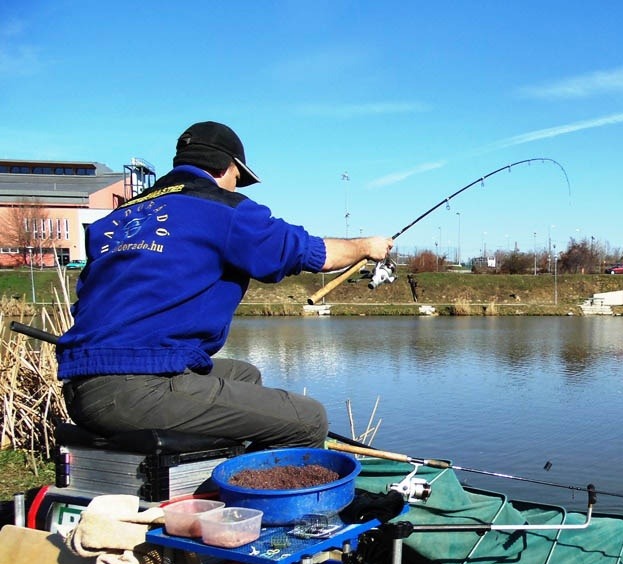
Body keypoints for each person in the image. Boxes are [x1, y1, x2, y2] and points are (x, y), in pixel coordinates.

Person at [57, 121, 393, 449]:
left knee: (243, 375)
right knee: (309, 420)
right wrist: (367, 247)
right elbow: (313, 254)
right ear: (224, 167)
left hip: (81, 384)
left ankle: (208, 474)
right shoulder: (222, 209)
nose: (235, 186)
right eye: (237, 178)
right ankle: (255, 495)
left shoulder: (118, 218)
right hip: (137, 388)